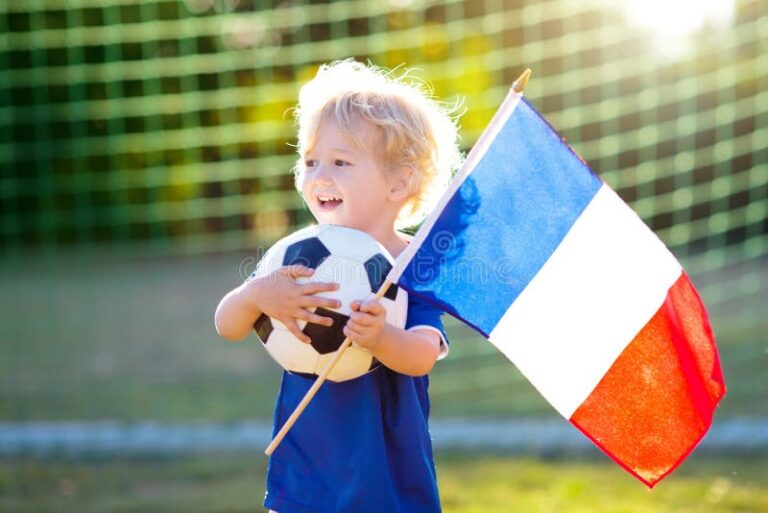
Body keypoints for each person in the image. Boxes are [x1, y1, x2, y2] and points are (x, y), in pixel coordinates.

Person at [214, 59, 463, 513]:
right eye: (310, 161)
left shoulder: (414, 264)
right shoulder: (299, 256)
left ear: (399, 181)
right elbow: (227, 324)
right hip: (307, 472)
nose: (319, 175)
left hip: (387, 478)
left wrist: (383, 337)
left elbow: (423, 355)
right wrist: (255, 296)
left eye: (341, 161)